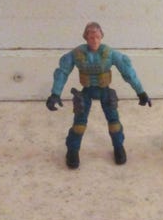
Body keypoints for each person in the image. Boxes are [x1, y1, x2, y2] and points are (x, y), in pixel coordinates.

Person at [46, 22, 151, 168]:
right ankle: (73, 149)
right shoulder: (77, 54)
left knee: (114, 122)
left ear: (101, 37)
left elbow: (128, 72)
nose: (94, 40)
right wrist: (55, 93)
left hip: (104, 90)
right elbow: (62, 72)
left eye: (97, 37)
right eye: (91, 37)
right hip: (86, 91)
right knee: (79, 123)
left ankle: (118, 146)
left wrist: (140, 92)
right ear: (86, 38)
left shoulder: (110, 54)